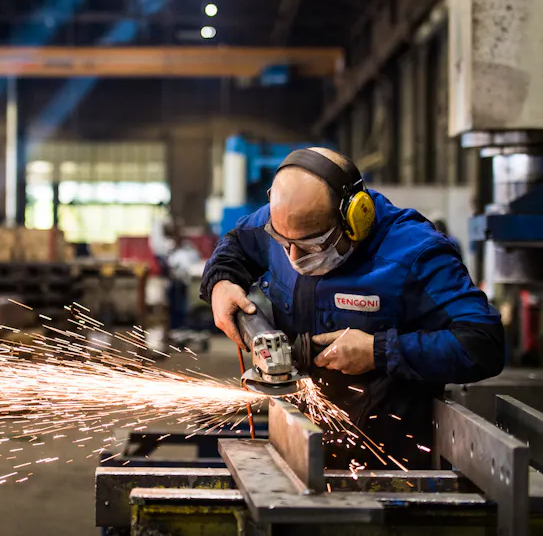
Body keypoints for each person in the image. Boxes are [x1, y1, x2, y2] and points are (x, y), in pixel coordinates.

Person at [200, 147, 504, 469]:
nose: (293, 257)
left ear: (355, 218)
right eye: (283, 242)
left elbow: (484, 343)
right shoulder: (287, 221)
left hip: (388, 463)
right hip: (294, 443)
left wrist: (378, 351)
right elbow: (237, 244)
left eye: (311, 245)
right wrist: (221, 282)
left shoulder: (417, 253)